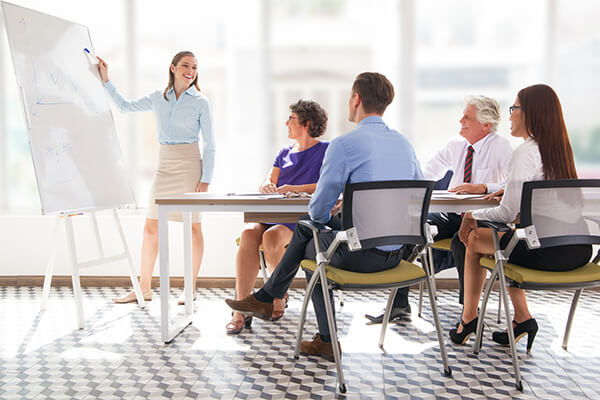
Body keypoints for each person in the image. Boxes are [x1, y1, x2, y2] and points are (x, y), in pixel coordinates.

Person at [225, 72, 423, 360]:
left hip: (359, 255)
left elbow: (318, 211)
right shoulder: (404, 144)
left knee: (311, 237)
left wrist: (334, 209)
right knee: (310, 235)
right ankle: (274, 302)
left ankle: (280, 305)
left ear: (356, 99)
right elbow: (415, 199)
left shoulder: (344, 145)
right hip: (398, 255)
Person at [449, 84, 592, 351]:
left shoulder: (524, 152)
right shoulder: (559, 149)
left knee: (473, 239)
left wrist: (471, 213)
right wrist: (513, 193)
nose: (511, 115)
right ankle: (522, 318)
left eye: (514, 108)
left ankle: (468, 320)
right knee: (502, 243)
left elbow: (505, 213)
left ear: (531, 113)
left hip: (545, 252)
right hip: (579, 249)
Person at [365, 95, 512, 324]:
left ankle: (468, 315)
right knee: (411, 228)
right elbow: (426, 174)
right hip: (453, 215)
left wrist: (483, 187)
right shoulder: (456, 144)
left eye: (467, 117)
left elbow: (514, 185)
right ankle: (399, 304)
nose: (461, 120)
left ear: (486, 125)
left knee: (465, 241)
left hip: (483, 218)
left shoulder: (501, 147)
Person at [96, 51, 216, 304]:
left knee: (193, 227)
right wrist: (106, 80)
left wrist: (206, 179)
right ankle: (144, 288)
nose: (190, 70)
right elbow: (125, 107)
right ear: (173, 68)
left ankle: (190, 288)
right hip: (164, 166)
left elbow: (211, 144)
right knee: (151, 226)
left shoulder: (201, 102)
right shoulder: (157, 98)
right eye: (185, 65)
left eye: (194, 67)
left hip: (190, 166)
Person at [227, 99, 329, 334]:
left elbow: (327, 184)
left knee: (272, 237)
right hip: (272, 211)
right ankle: (241, 309)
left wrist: (294, 188)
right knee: (248, 233)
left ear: (306, 123)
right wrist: (268, 186)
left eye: (291, 119)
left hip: (299, 218)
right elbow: (269, 178)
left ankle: (277, 294)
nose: (286, 123)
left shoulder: (326, 150)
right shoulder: (284, 152)